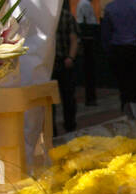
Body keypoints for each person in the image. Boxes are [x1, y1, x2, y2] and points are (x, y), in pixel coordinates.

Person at [101, 0, 136, 110]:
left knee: (125, 88)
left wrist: (109, 52)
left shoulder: (110, 8)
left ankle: (129, 118)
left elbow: (106, 34)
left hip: (119, 51)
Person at [52, 1, 80, 134]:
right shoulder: (67, 16)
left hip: (56, 62)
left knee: (55, 98)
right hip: (63, 60)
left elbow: (74, 38)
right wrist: (71, 57)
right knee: (67, 96)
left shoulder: (62, 17)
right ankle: (70, 125)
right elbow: (74, 38)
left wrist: (70, 57)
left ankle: (54, 129)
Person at [76, 0, 99, 106]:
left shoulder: (84, 3)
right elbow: (87, 21)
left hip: (86, 38)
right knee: (89, 69)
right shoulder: (85, 3)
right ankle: (90, 98)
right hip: (88, 40)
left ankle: (91, 97)